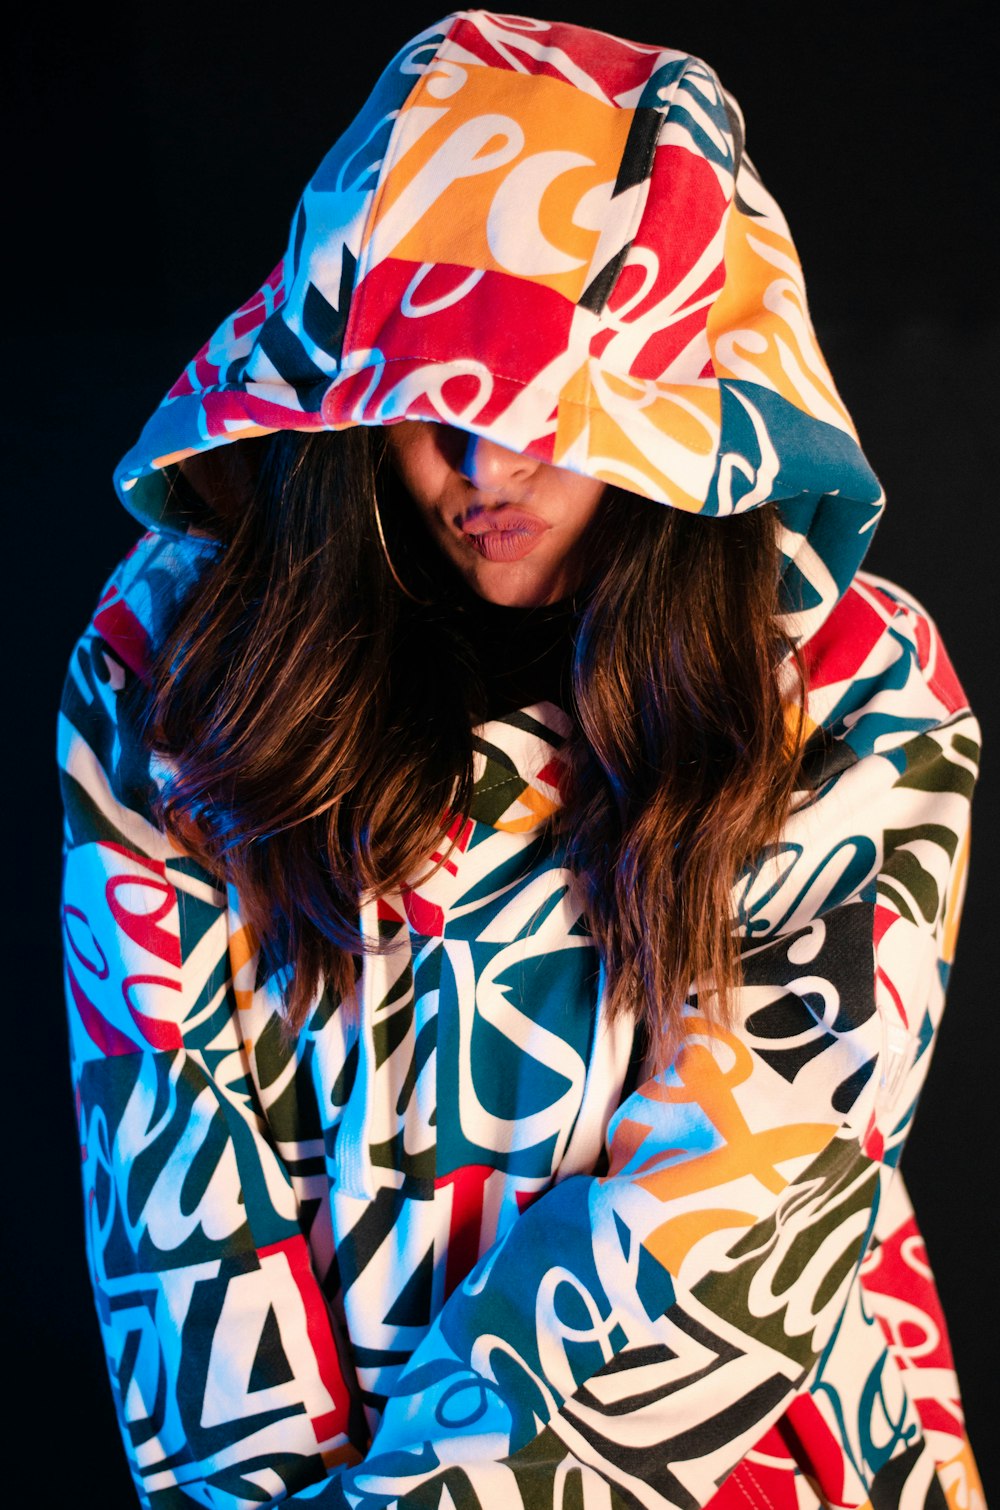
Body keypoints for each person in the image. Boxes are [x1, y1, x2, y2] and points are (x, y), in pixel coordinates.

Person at [58, 10, 983, 1509]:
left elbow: (760, 1190)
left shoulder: (846, 681)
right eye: (432, 408)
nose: (484, 473)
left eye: (549, 412)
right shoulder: (170, 670)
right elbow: (169, 1178)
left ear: (677, 399)